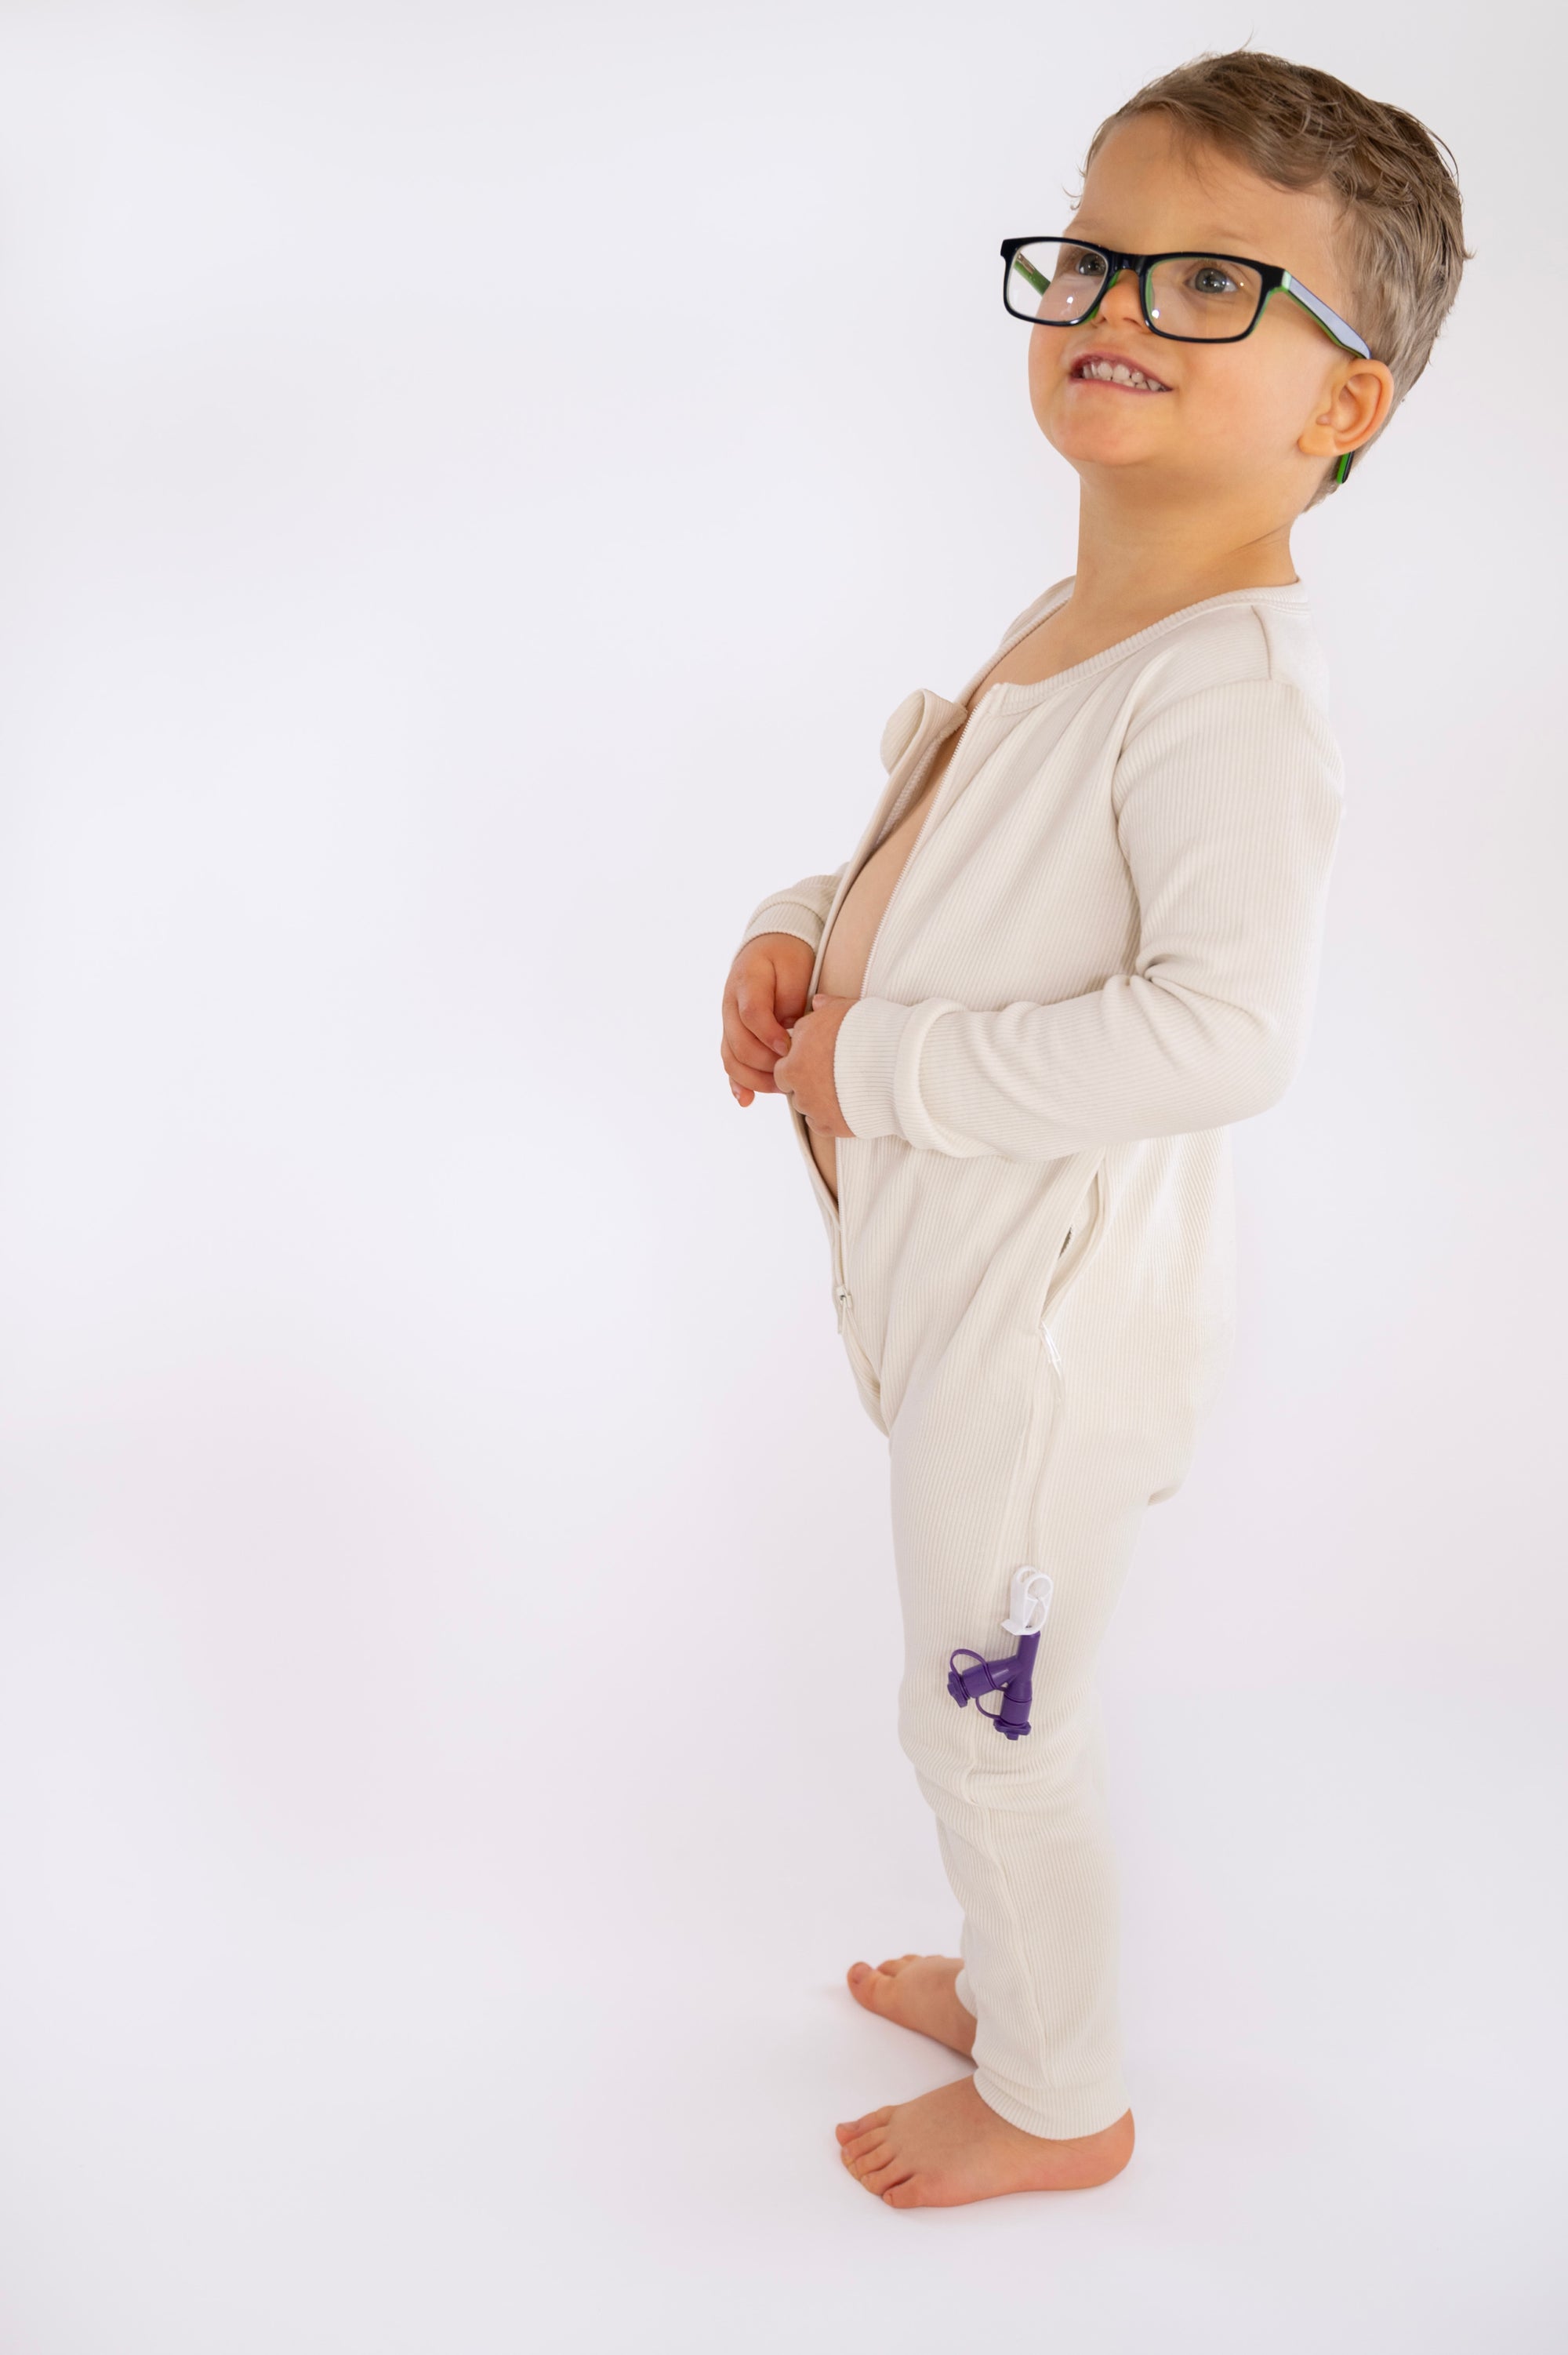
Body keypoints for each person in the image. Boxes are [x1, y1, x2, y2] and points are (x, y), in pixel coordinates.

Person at [719, 49, 1467, 2209]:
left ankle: (1064, 2096)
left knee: (991, 1705)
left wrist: (883, 1071)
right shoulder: (1080, 619)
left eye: (1220, 281)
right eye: (1105, 252)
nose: (1125, 298)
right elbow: (956, 866)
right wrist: (798, 936)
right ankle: (1009, 1967)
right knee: (978, 1701)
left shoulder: (1228, 687)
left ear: (1344, 410)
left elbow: (1223, 1034)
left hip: (1045, 1342)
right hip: (958, 1286)